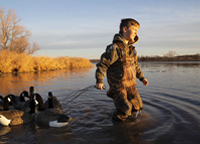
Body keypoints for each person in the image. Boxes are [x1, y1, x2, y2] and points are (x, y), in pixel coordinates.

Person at [95, 18, 149, 121]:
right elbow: (102, 64)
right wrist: (99, 81)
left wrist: (142, 78)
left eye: (137, 31)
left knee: (138, 106)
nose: (136, 33)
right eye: (134, 30)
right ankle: (118, 128)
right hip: (118, 87)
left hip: (131, 85)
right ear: (125, 29)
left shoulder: (132, 50)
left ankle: (132, 124)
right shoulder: (115, 48)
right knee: (125, 109)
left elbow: (136, 66)